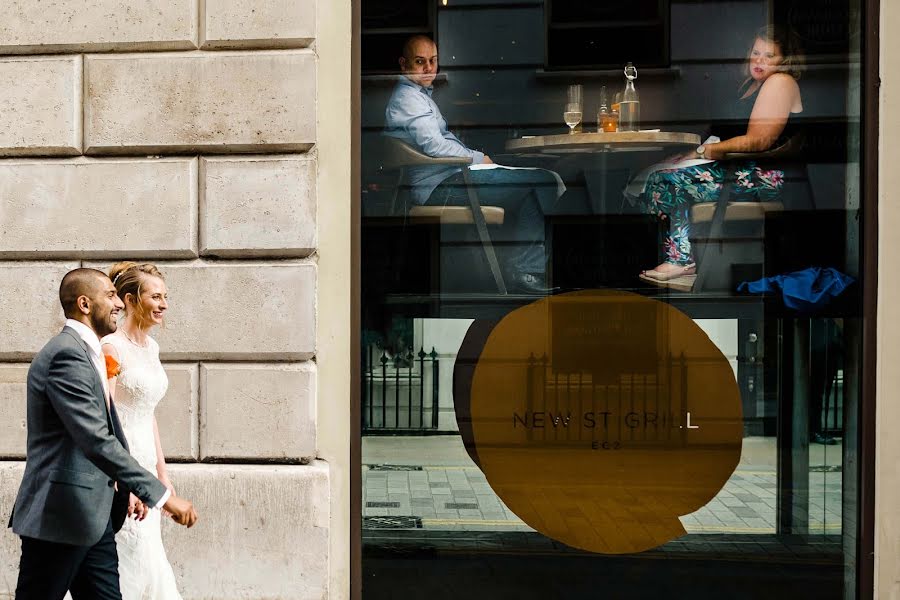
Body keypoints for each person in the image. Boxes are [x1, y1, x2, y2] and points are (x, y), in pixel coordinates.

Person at [10, 268, 198, 600]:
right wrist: (162, 496)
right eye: (110, 296)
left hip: (94, 516)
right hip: (61, 515)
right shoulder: (66, 355)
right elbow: (96, 439)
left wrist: (128, 487)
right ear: (84, 303)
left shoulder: (90, 351)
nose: (118, 304)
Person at [384, 35, 563, 294]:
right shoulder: (408, 98)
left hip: (452, 179)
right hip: (443, 188)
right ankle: (523, 271)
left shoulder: (418, 96)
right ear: (403, 64)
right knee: (542, 180)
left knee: (537, 182)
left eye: (433, 61)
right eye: (419, 62)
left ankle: (523, 270)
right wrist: (479, 158)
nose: (428, 69)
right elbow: (435, 146)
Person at [633, 25, 804, 291]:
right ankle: (680, 254)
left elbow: (758, 140)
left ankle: (682, 259)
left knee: (666, 181)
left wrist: (704, 152)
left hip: (763, 176)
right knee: (657, 175)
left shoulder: (779, 82)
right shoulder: (753, 85)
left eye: (769, 56)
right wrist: (693, 153)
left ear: (785, 60)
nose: (759, 60)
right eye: (756, 52)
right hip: (739, 167)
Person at [101, 262, 182, 599]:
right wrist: (125, 482)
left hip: (147, 465)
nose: (163, 304)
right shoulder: (111, 348)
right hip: (122, 466)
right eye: (156, 296)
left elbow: (148, 414)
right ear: (131, 300)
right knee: (127, 564)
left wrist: (162, 474)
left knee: (150, 560)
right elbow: (104, 416)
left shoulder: (153, 349)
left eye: (166, 297)